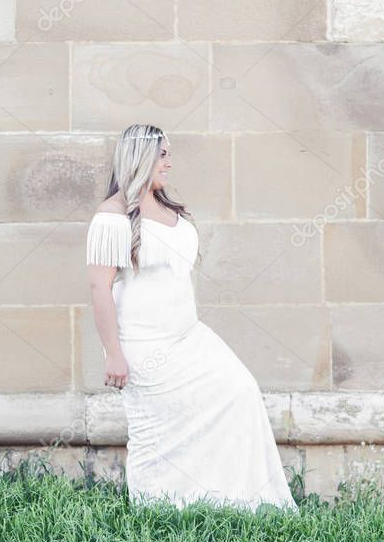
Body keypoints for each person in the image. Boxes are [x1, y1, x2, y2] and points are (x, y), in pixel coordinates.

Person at [85, 123, 297, 512]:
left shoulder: (167, 207)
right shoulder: (112, 215)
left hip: (188, 336)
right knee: (159, 432)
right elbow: (100, 289)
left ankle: (236, 502)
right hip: (144, 345)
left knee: (240, 390)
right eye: (162, 153)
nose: (169, 160)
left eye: (168, 152)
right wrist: (112, 352)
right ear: (141, 157)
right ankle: (158, 511)